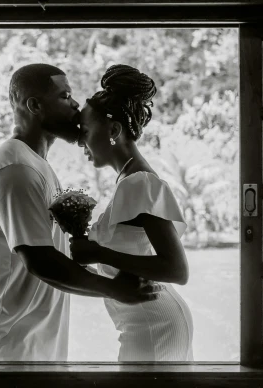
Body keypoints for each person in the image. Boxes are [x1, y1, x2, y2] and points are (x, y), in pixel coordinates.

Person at [0, 63, 163, 362]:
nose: (76, 105)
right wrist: (114, 289)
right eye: (65, 96)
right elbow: (40, 260)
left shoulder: (35, 164)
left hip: (26, 341)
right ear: (35, 105)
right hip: (5, 346)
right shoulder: (17, 170)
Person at [70, 64, 194, 362]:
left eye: (85, 131)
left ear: (113, 130)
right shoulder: (129, 181)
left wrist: (100, 253)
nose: (80, 142)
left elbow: (177, 270)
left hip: (153, 327)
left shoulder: (138, 183)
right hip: (148, 322)